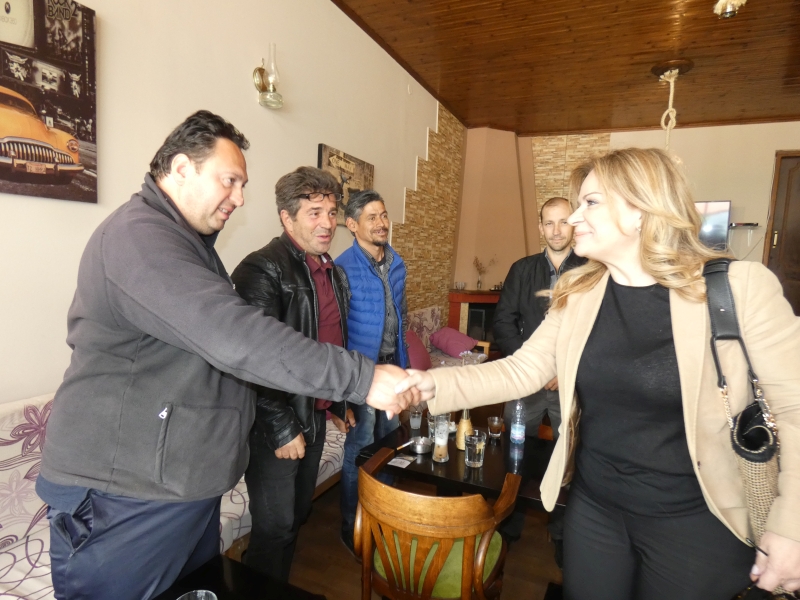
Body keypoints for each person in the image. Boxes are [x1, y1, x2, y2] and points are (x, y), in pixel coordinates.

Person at [36, 111, 414, 600]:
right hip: (124, 499)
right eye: (229, 181)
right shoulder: (138, 237)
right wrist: (363, 378)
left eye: (242, 185)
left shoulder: (189, 244)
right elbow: (238, 338)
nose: (239, 198)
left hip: (177, 487)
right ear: (180, 168)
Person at [398, 147, 800, 599]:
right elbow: (521, 369)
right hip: (596, 510)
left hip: (696, 522)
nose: (573, 219)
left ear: (641, 210)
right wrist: (426, 383)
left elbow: (794, 407)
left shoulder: (738, 288)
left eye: (590, 203)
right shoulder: (578, 293)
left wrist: (792, 528)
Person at [229, 166, 357, 581]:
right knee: (275, 527)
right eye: (314, 213)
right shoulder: (262, 269)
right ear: (287, 217)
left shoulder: (333, 272)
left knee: (298, 514)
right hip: (274, 424)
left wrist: (338, 402)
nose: (327, 223)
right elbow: (250, 359)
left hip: (313, 416)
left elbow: (332, 346)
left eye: (331, 212)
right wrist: (282, 427)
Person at [335, 189, 408, 555]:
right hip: (361, 378)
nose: (382, 223)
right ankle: (353, 527)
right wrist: (342, 395)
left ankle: (385, 518)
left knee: (391, 448)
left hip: (392, 372)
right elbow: (337, 333)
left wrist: (406, 372)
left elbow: (401, 321)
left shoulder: (397, 263)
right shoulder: (342, 268)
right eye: (372, 217)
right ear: (352, 225)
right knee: (360, 452)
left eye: (384, 215)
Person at [494, 196, 586, 437]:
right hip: (526, 379)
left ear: (573, 224)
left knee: (571, 450)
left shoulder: (590, 270)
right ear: (540, 228)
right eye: (549, 223)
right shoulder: (521, 269)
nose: (556, 231)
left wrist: (565, 370)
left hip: (572, 383)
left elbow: (598, 329)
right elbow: (503, 322)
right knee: (516, 447)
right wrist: (531, 365)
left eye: (563, 222)